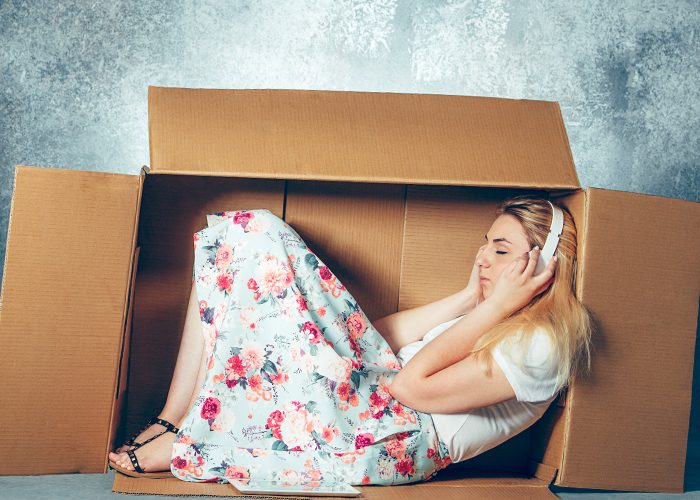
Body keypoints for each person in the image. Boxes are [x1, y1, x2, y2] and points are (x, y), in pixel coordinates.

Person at [108, 196, 592, 486]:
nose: (483, 256)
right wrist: (468, 298)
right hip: (370, 391)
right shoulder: (487, 313)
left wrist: (492, 307)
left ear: (545, 267)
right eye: (486, 242)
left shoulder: (539, 345)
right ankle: (174, 420)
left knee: (255, 250)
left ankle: (188, 443)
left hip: (395, 434)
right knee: (249, 235)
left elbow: (411, 391)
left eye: (500, 249)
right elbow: (378, 337)